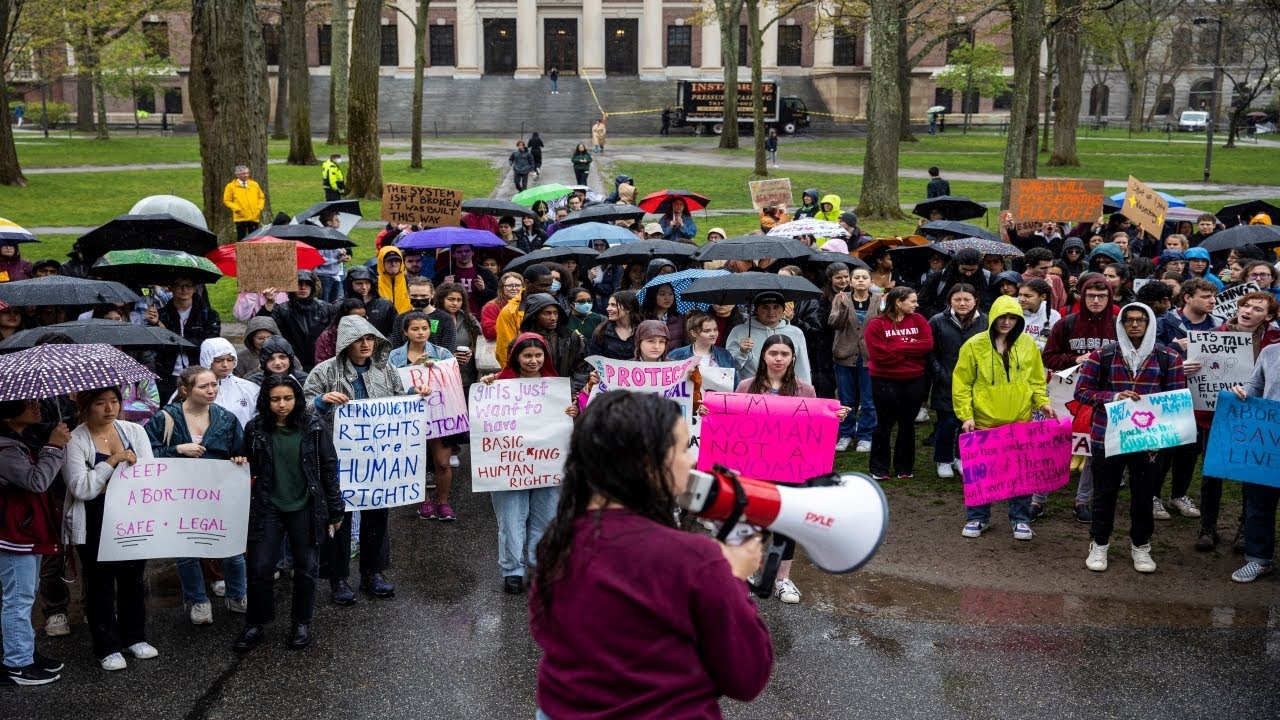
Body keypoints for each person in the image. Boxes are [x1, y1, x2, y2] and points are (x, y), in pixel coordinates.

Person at [529, 390, 771, 718]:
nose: (693, 460)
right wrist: (733, 578)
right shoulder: (697, 560)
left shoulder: (558, 540)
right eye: (684, 448)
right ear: (647, 461)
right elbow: (746, 677)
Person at [734, 334, 848, 603]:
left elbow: (815, 426)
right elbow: (734, 421)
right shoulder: (746, 386)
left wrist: (834, 418)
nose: (778, 359)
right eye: (773, 353)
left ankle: (783, 579)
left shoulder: (805, 389)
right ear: (763, 355)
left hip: (791, 467)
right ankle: (756, 571)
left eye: (784, 354)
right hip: (755, 465)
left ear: (792, 358)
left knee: (786, 520)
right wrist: (712, 414)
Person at [233, 374, 342, 653]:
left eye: (287, 398)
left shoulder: (314, 426)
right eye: (275, 399)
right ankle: (256, 623)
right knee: (259, 568)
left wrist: (335, 509)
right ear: (265, 401)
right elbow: (246, 462)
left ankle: (301, 622)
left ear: (297, 399)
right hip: (268, 506)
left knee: (306, 568)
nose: (282, 404)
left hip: (305, 506)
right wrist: (240, 459)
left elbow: (329, 469)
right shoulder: (255, 427)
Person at [304, 316, 408, 604]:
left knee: (378, 514)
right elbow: (302, 406)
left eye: (370, 338)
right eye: (359, 340)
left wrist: (415, 396)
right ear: (345, 344)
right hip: (338, 456)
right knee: (339, 516)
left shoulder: (386, 369)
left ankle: (373, 573)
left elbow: (401, 401)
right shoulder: (324, 371)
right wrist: (322, 401)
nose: (365, 344)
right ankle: (338, 578)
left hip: (378, 456)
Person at [1075, 303, 1186, 574]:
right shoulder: (1102, 355)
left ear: (1150, 324)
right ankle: (1099, 542)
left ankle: (1141, 545)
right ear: (1121, 324)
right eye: (1129, 320)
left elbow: (1175, 396)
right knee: (1105, 493)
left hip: (1147, 439)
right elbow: (1082, 392)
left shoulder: (1167, 357)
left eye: (1141, 320)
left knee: (1143, 495)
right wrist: (1113, 397)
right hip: (1107, 436)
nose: (1135, 325)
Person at [62, 387, 157, 671]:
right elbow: (81, 488)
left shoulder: (133, 431)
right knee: (100, 584)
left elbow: (147, 475)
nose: (109, 408)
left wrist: (104, 483)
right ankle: (107, 646)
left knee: (133, 579)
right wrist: (112, 462)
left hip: (130, 516)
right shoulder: (75, 439)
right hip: (93, 520)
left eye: (114, 401)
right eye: (100, 403)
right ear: (85, 406)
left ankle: (134, 637)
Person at [145, 366, 248, 624]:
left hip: (219, 495)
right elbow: (146, 455)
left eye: (214, 384)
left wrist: (239, 457)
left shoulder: (226, 418)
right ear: (185, 390)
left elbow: (240, 450)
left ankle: (238, 595)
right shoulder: (165, 418)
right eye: (204, 386)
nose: (211, 390)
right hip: (180, 496)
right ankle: (198, 601)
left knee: (232, 551)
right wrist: (177, 449)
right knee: (187, 552)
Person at [478, 333, 578, 595]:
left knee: (546, 517)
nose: (533, 361)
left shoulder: (556, 390)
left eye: (538, 355)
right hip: (509, 467)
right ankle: (512, 570)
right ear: (515, 358)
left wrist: (573, 411)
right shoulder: (497, 386)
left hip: (548, 465)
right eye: (527, 356)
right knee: (511, 519)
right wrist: (485, 388)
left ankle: (541, 566)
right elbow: (482, 418)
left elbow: (570, 424)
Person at [953, 295, 1053, 541]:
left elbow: (1036, 380)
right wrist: (966, 415)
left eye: (1012, 318)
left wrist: (1043, 403)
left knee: (1021, 474)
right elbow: (962, 382)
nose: (1007, 322)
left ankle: (1020, 519)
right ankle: (977, 517)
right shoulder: (974, 345)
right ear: (993, 317)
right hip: (983, 420)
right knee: (981, 473)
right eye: (1002, 317)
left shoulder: (1028, 344)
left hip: (1019, 421)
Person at [0, 397, 69, 686]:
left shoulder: (17, 440)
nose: (37, 405)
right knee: (18, 599)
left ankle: (23, 653)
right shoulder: (4, 449)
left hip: (25, 531)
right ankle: (17, 664)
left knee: (25, 594)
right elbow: (37, 481)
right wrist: (54, 446)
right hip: (14, 535)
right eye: (28, 403)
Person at [389, 311, 459, 521]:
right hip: (409, 417)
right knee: (416, 461)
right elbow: (391, 387)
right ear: (405, 332)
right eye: (415, 329)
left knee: (443, 462)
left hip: (439, 414)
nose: (421, 333)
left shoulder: (443, 353)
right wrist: (412, 368)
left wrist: (436, 368)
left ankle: (443, 503)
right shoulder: (394, 356)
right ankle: (424, 501)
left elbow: (452, 383)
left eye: (424, 328)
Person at [864, 286, 934, 480]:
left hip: (915, 380)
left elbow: (927, 345)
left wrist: (895, 347)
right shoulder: (876, 325)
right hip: (884, 380)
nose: (916, 304)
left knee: (907, 424)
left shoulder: (919, 320)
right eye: (912, 301)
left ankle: (904, 468)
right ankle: (879, 468)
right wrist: (911, 350)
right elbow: (879, 356)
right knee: (884, 424)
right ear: (898, 302)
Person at [1227, 341, 1280, 581]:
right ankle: (1258, 559)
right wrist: (1243, 392)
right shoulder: (1271, 352)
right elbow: (1255, 386)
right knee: (1259, 503)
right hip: (1267, 440)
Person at [928, 284, 985, 478]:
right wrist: (939, 373)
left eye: (967, 299)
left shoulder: (985, 321)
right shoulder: (937, 321)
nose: (962, 303)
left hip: (976, 382)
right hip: (947, 380)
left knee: (969, 423)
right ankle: (943, 460)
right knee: (947, 422)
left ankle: (963, 458)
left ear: (975, 300)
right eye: (957, 299)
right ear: (949, 301)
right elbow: (930, 351)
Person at [828, 264, 881, 453]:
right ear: (850, 281)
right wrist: (842, 308)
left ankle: (865, 436)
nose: (860, 280)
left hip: (869, 357)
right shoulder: (840, 298)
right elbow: (834, 323)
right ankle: (845, 434)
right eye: (856, 277)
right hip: (844, 354)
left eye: (864, 277)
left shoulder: (878, 300)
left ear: (870, 281)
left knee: (868, 399)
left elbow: (883, 326)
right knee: (845, 398)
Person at [146, 274, 222, 402]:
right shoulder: (161, 315)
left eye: (188, 285)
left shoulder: (209, 315)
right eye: (179, 285)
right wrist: (153, 324)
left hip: (198, 373)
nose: (184, 289)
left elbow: (208, 346)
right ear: (171, 288)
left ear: (194, 289)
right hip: (167, 375)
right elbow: (156, 347)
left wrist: (173, 339)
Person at [726, 292, 811, 383]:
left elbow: (802, 368)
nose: (771, 312)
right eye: (765, 307)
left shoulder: (796, 333)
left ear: (783, 308)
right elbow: (727, 369)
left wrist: (805, 393)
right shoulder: (739, 331)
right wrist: (741, 352)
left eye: (776, 307)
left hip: (786, 391)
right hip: (750, 392)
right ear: (756, 309)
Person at [259, 271, 334, 372]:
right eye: (299, 284)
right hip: (292, 362)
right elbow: (262, 326)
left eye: (307, 284)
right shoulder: (282, 309)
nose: (303, 288)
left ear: (312, 287)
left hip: (321, 362)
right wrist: (269, 303)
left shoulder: (326, 308)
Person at [198, 338, 260, 428]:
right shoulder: (193, 388)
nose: (225, 365)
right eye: (219, 360)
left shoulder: (250, 388)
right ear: (207, 360)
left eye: (230, 360)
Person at [668, 311, 738, 387]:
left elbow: (734, 385)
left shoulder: (725, 355)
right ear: (693, 333)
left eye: (715, 329)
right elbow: (668, 385)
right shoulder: (676, 355)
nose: (713, 334)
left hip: (717, 398)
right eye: (707, 331)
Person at [434, 243, 497, 316]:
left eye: (467, 251)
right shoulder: (444, 272)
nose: (464, 254)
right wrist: (443, 285)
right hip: (452, 316)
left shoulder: (485, 272)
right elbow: (433, 295)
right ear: (453, 254)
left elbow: (496, 296)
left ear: (473, 252)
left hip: (479, 316)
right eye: (459, 252)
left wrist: (484, 289)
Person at [587, 290, 641, 361]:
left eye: (613, 305)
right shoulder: (601, 331)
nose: (608, 309)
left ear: (628, 309)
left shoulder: (642, 330)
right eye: (609, 304)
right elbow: (595, 360)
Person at [341, 266, 395, 336]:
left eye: (367, 283)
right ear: (350, 284)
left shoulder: (385, 305)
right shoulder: (340, 305)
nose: (364, 287)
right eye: (359, 283)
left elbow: (394, 331)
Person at [222, 165, 266, 240]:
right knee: (241, 239)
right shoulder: (231, 186)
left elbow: (261, 197)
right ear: (237, 175)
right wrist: (237, 209)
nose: (246, 175)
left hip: (254, 217)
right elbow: (226, 201)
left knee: (254, 239)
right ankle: (241, 252)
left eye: (247, 173)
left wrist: (259, 208)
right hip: (241, 218)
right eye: (244, 173)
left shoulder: (254, 184)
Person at [1018, 278, 1060, 350]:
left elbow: (1049, 343)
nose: (1021, 299)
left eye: (1027, 296)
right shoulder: (1014, 312)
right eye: (1020, 295)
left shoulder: (1053, 316)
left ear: (1042, 297)